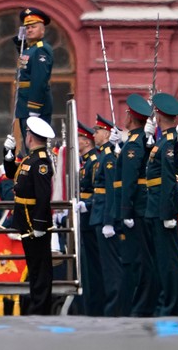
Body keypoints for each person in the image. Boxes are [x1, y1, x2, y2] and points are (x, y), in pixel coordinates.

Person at [114, 93, 157, 317]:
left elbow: (129, 181)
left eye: (127, 114)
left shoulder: (134, 144)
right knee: (136, 258)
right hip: (137, 207)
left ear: (132, 117)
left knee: (141, 260)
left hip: (136, 208)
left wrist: (125, 210)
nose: (125, 116)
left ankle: (143, 306)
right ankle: (139, 305)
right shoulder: (134, 141)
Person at [10, 115, 55, 314]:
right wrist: (8, 153)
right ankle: (37, 305)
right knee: (34, 265)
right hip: (26, 219)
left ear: (31, 137)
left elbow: (43, 195)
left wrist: (38, 224)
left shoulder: (41, 161)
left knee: (40, 267)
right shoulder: (30, 159)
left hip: (34, 220)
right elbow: (13, 174)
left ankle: (41, 307)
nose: (26, 136)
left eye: (27, 133)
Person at [145, 92, 178, 316]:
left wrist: (169, 211)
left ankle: (172, 304)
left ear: (158, 117)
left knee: (169, 260)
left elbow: (169, 178)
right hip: (157, 206)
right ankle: (165, 301)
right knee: (162, 260)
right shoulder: (162, 141)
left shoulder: (168, 141)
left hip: (163, 208)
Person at [92, 114, 122, 316]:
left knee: (112, 267)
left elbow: (112, 189)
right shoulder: (103, 155)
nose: (95, 134)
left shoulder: (110, 156)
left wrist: (109, 220)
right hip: (98, 213)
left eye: (97, 131)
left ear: (107, 132)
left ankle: (115, 307)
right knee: (104, 266)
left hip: (105, 216)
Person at [76, 121, 104, 316]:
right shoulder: (86, 161)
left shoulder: (94, 161)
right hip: (85, 218)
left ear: (86, 141)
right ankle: (90, 304)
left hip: (91, 216)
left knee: (94, 266)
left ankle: (96, 305)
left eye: (78, 138)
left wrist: (87, 204)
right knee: (87, 266)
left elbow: (99, 191)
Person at [13, 7, 54, 129]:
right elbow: (26, 61)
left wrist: (34, 108)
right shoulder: (30, 49)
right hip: (24, 104)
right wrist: (19, 42)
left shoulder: (41, 49)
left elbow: (39, 79)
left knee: (34, 144)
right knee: (27, 144)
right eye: (27, 27)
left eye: (33, 27)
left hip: (35, 106)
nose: (29, 30)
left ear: (42, 30)